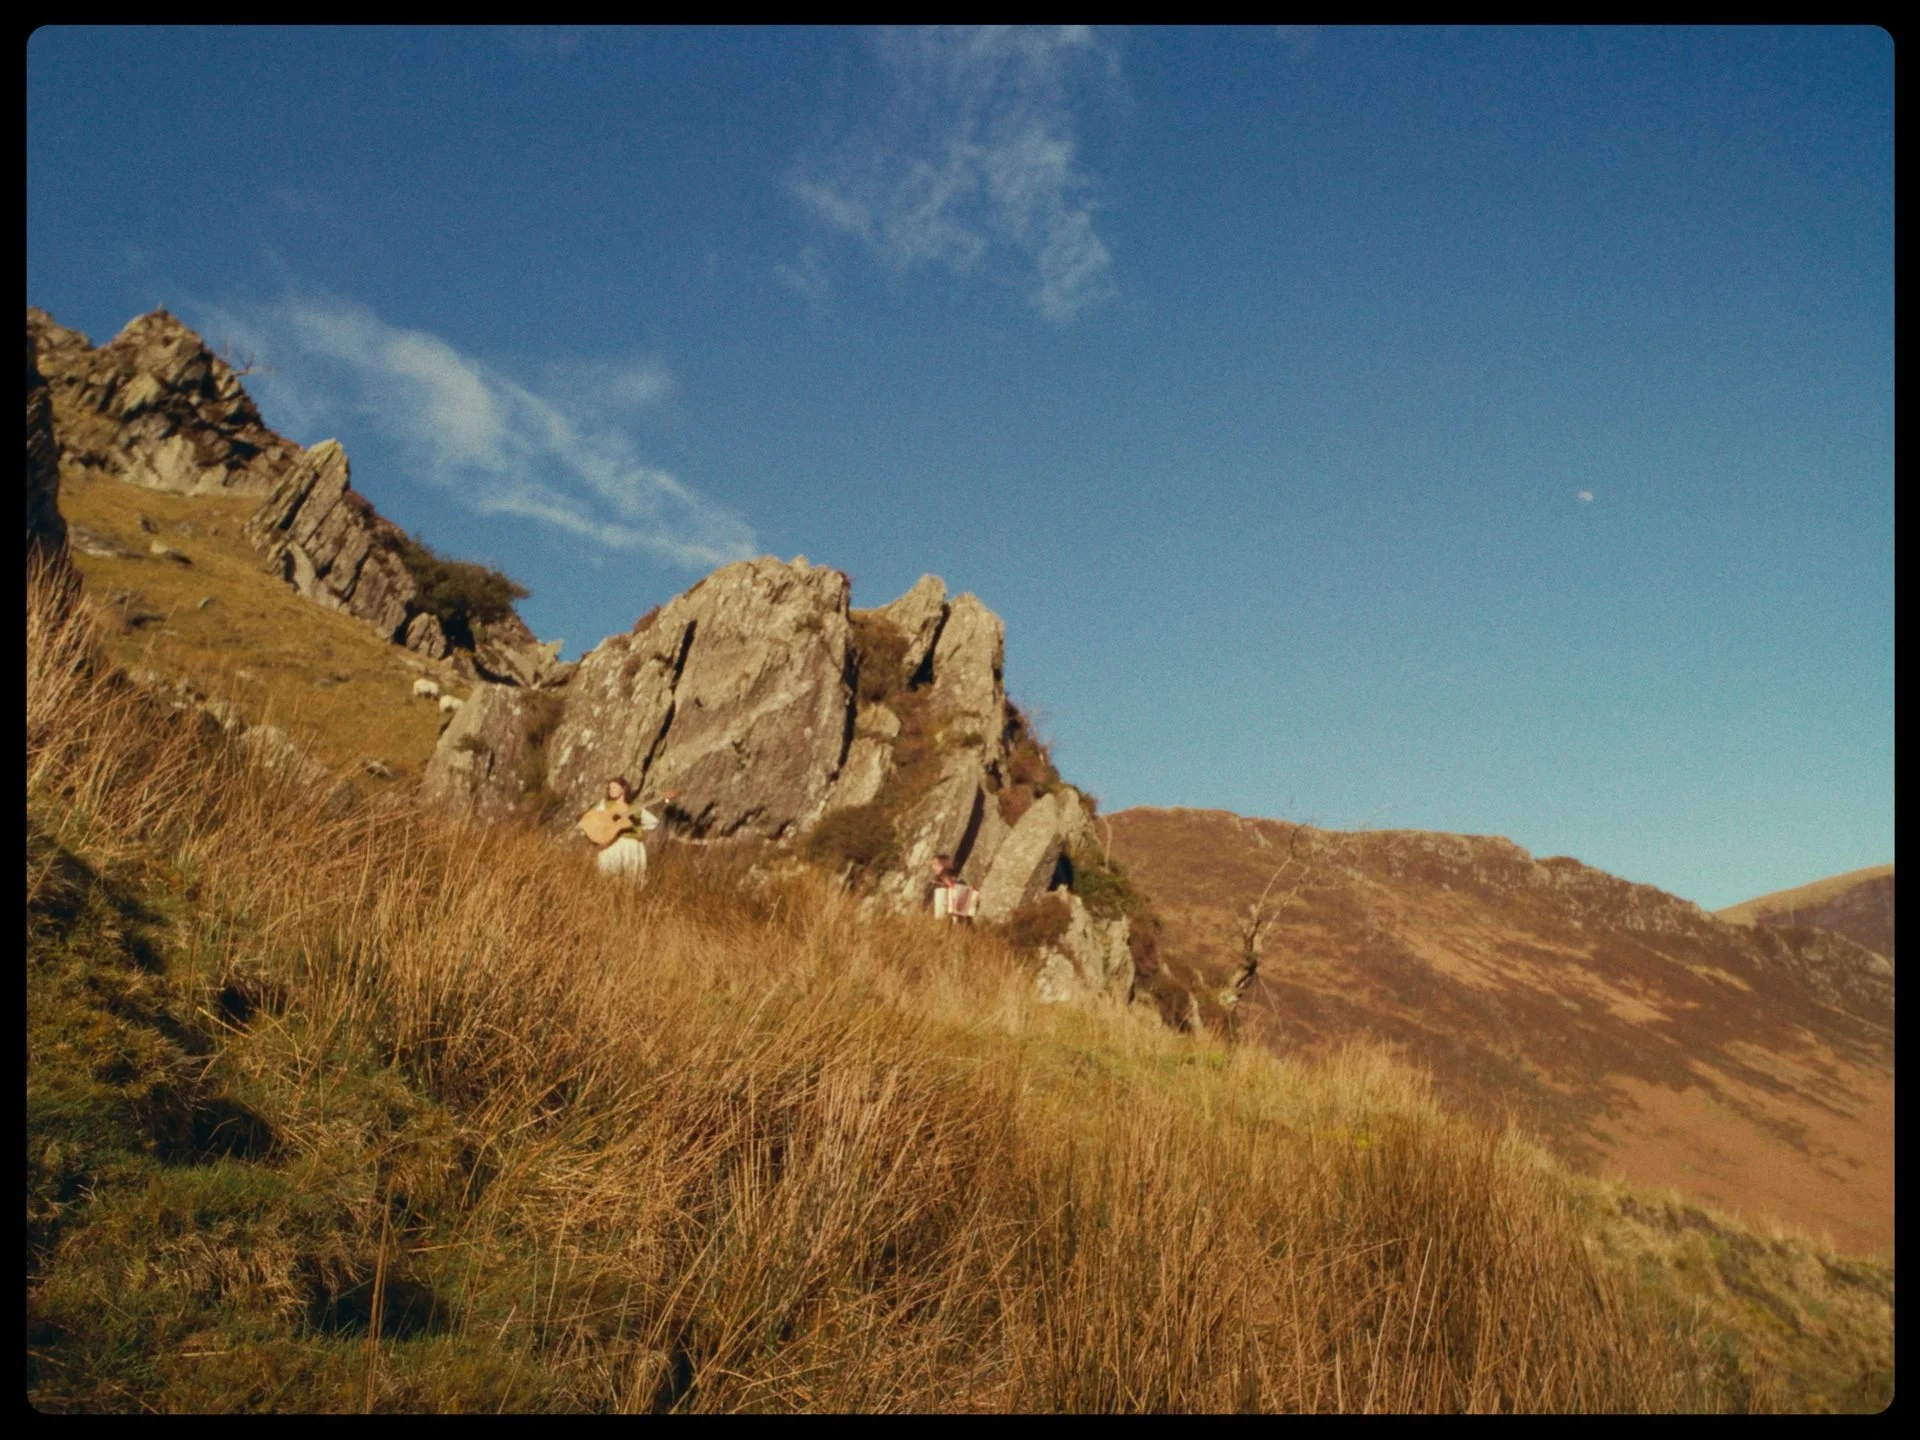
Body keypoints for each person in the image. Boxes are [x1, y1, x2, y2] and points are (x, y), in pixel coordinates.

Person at [582, 777, 672, 882]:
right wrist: (604, 830)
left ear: (623, 789)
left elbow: (652, 823)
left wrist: (632, 824)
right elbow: (589, 820)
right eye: (610, 788)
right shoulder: (604, 805)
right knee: (607, 878)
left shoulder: (636, 807)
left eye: (615, 787)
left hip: (631, 845)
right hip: (611, 844)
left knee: (633, 880)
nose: (612, 790)